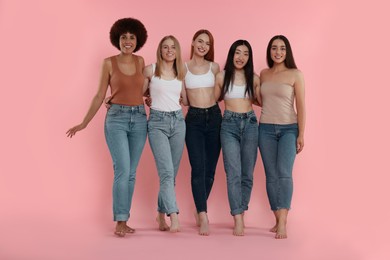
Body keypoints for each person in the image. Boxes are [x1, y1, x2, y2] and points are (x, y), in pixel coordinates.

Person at [66, 18, 148, 237]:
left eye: (132, 37)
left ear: (138, 40)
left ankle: (125, 218)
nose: (128, 41)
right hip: (117, 120)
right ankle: (120, 221)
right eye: (124, 37)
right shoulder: (108, 63)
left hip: (140, 119)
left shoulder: (141, 62)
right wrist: (84, 123)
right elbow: (99, 95)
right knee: (122, 170)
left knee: (131, 174)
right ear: (117, 39)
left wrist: (149, 98)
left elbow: (143, 90)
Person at [257, 35, 306, 239]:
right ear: (270, 51)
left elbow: (301, 105)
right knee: (270, 175)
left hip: (289, 129)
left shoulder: (295, 74)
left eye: (282, 49)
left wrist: (301, 133)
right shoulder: (264, 74)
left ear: (288, 52)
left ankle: (284, 221)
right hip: (265, 128)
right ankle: (277, 218)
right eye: (274, 48)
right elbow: (260, 100)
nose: (278, 52)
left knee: (284, 173)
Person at [215, 40, 260, 236]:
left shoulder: (255, 78)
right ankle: (238, 218)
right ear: (231, 55)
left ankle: (241, 209)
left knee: (247, 174)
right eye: (237, 53)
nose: (241, 57)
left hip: (250, 123)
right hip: (229, 124)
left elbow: (261, 101)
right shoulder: (222, 76)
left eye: (245, 54)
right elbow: (212, 99)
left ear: (249, 58)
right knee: (233, 172)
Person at [143, 35, 187, 233]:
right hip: (157, 123)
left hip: (178, 122)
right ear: (160, 50)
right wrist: (148, 98)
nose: (169, 50)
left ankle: (160, 215)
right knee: (167, 173)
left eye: (173, 47)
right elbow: (139, 92)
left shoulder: (181, 72)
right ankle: (174, 216)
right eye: (165, 47)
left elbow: (184, 99)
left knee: (171, 175)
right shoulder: (151, 70)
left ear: (177, 51)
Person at [184, 29, 221, 236]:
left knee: (210, 170)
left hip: (215, 117)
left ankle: (200, 207)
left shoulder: (214, 67)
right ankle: (203, 214)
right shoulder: (183, 67)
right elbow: (183, 97)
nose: (203, 46)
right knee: (198, 168)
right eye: (200, 41)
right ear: (192, 42)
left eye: (207, 43)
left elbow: (222, 91)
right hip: (194, 120)